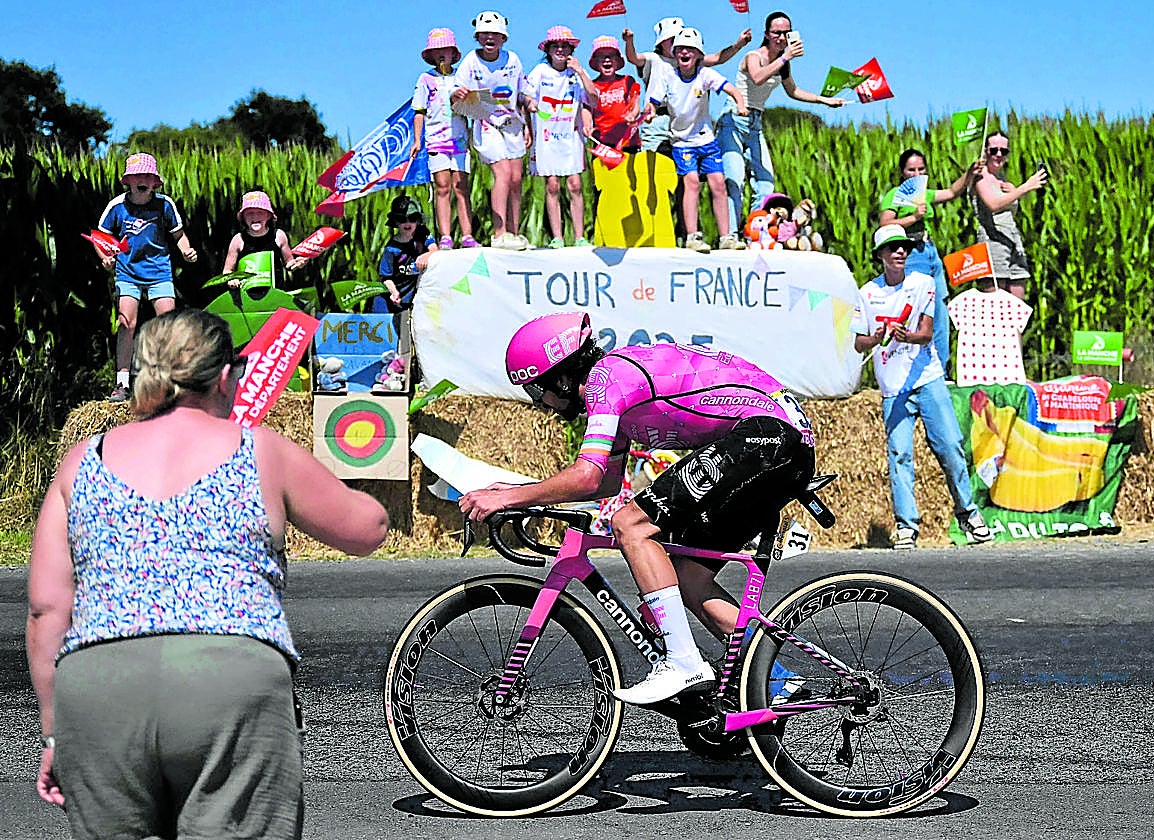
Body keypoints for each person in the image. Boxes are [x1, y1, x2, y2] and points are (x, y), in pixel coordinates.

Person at [26, 308, 389, 839]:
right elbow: (369, 528)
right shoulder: (257, 449)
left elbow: (47, 608)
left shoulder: (80, 462)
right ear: (223, 378)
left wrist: (57, 734)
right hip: (230, 678)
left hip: (100, 684)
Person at [460, 312, 817, 704]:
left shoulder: (606, 380)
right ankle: (778, 680)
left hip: (768, 436)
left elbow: (587, 477)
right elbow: (607, 481)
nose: (540, 403)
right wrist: (522, 492)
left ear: (561, 377)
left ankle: (683, 662)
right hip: (778, 444)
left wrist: (511, 496)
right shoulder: (613, 390)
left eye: (536, 390)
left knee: (631, 525)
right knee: (688, 578)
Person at [851, 225, 995, 550]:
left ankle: (968, 513)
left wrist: (907, 336)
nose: (900, 252)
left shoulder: (923, 284)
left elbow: (927, 332)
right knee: (899, 455)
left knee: (951, 448)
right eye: (892, 249)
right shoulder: (867, 293)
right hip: (893, 389)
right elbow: (859, 343)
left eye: (903, 247)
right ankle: (906, 526)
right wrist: (878, 337)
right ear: (881, 256)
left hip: (927, 378)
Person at [716, 11, 845, 231]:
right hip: (734, 120)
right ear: (767, 34)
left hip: (756, 123)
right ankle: (730, 235)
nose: (782, 38)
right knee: (735, 180)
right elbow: (757, 78)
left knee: (766, 183)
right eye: (777, 33)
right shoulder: (753, 57)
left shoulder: (783, 64)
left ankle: (755, 234)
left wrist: (823, 100)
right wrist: (786, 57)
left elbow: (792, 91)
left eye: (787, 33)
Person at [95, 153, 198, 403]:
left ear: (155, 182)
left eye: (147, 176)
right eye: (137, 176)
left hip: (159, 271)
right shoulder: (117, 206)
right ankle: (122, 383)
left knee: (167, 324)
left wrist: (186, 249)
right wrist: (105, 257)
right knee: (125, 323)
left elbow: (179, 235)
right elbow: (101, 236)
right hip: (128, 273)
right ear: (127, 181)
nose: (142, 180)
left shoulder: (164, 205)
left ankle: (169, 381)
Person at [642, 27, 750, 252]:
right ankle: (692, 236)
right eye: (680, 48)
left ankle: (726, 237)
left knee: (718, 183)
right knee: (690, 181)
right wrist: (650, 111)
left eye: (690, 49)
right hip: (681, 142)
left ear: (699, 54)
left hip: (706, 140)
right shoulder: (668, 77)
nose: (684, 52)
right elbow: (652, 101)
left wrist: (740, 104)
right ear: (674, 52)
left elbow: (732, 89)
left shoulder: (705, 74)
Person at [878, 149, 980, 369]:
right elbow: (885, 224)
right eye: (911, 169)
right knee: (918, 310)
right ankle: (915, 366)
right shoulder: (896, 194)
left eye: (921, 169)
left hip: (930, 252)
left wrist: (969, 173)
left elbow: (952, 192)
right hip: (911, 252)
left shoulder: (924, 192)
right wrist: (913, 217)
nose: (916, 174)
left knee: (940, 309)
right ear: (902, 172)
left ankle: (941, 368)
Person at [452, 11, 531, 250]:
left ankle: (514, 232)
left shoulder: (513, 60)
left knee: (516, 179)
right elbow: (455, 93)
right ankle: (499, 234)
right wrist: (458, 94)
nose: (490, 38)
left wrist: (529, 122)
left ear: (503, 38)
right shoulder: (470, 61)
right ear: (477, 37)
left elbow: (522, 93)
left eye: (495, 34)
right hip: (485, 122)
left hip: (513, 123)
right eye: (485, 34)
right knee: (503, 173)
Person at [621, 17, 751, 154]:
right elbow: (633, 58)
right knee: (654, 157)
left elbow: (717, 58)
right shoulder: (653, 58)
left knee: (684, 162)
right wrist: (629, 41)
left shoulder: (689, 60)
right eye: (672, 37)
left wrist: (738, 45)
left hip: (686, 119)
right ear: (661, 42)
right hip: (658, 118)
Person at [525, 25, 596, 248]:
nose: (560, 50)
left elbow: (592, 100)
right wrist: (531, 104)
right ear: (548, 49)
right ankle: (557, 236)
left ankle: (579, 236)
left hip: (571, 136)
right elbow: (526, 98)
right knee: (552, 185)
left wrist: (581, 71)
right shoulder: (540, 72)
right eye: (555, 46)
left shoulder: (575, 74)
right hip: (546, 136)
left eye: (565, 46)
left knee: (575, 185)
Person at [411, 27, 479, 249]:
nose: (441, 54)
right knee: (442, 186)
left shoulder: (462, 77)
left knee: (461, 186)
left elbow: (474, 107)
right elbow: (419, 110)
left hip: (459, 138)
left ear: (453, 53)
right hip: (436, 138)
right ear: (430, 55)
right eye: (436, 51)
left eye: (445, 50)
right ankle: (446, 236)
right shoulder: (425, 79)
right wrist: (417, 140)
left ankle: (467, 235)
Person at [971, 130, 1048, 300]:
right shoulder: (980, 176)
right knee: (996, 304)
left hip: (1013, 240)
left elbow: (1009, 207)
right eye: (994, 150)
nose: (999, 155)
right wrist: (1025, 187)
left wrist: (1015, 192)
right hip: (992, 241)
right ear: (985, 151)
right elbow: (993, 204)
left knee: (1017, 300)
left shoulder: (1002, 179)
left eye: (1003, 151)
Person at [221, 190, 305, 287]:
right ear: (243, 217)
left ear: (268, 215)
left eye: (260, 212)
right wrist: (231, 279)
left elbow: (289, 263)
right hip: (246, 296)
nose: (255, 216)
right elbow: (227, 270)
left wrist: (297, 263)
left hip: (275, 293)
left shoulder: (279, 236)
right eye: (250, 213)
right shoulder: (238, 240)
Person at [377, 195, 437, 312]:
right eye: (402, 220)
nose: (407, 223)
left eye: (413, 218)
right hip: (395, 299)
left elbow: (435, 250)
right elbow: (386, 277)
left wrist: (427, 255)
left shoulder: (422, 234)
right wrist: (394, 292)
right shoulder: (391, 249)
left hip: (417, 299)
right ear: (395, 222)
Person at [587, 36, 641, 153]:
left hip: (629, 141)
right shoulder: (592, 86)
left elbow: (635, 103)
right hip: (603, 143)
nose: (607, 60)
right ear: (596, 62)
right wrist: (587, 125)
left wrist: (632, 115)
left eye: (611, 56)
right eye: (602, 57)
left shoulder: (628, 80)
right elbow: (587, 110)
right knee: (604, 171)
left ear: (617, 61)